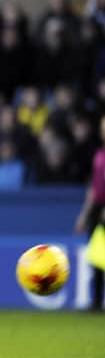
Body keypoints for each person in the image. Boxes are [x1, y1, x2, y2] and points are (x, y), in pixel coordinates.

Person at [74, 115, 105, 311]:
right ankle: (96, 302)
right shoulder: (99, 155)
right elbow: (93, 188)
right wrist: (84, 215)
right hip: (97, 210)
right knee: (96, 257)